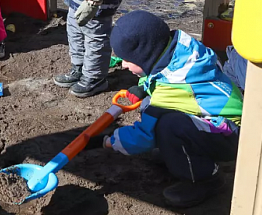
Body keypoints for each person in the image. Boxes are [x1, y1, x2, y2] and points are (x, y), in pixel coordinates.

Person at [91, 11, 244, 208]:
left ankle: (205, 179)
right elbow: (160, 72)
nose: (124, 65)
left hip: (232, 134)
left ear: (145, 55)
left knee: (167, 126)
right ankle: (177, 152)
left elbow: (143, 137)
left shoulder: (171, 89)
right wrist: (143, 87)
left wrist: (109, 141)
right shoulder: (182, 52)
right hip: (219, 120)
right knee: (157, 112)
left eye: (128, 60)